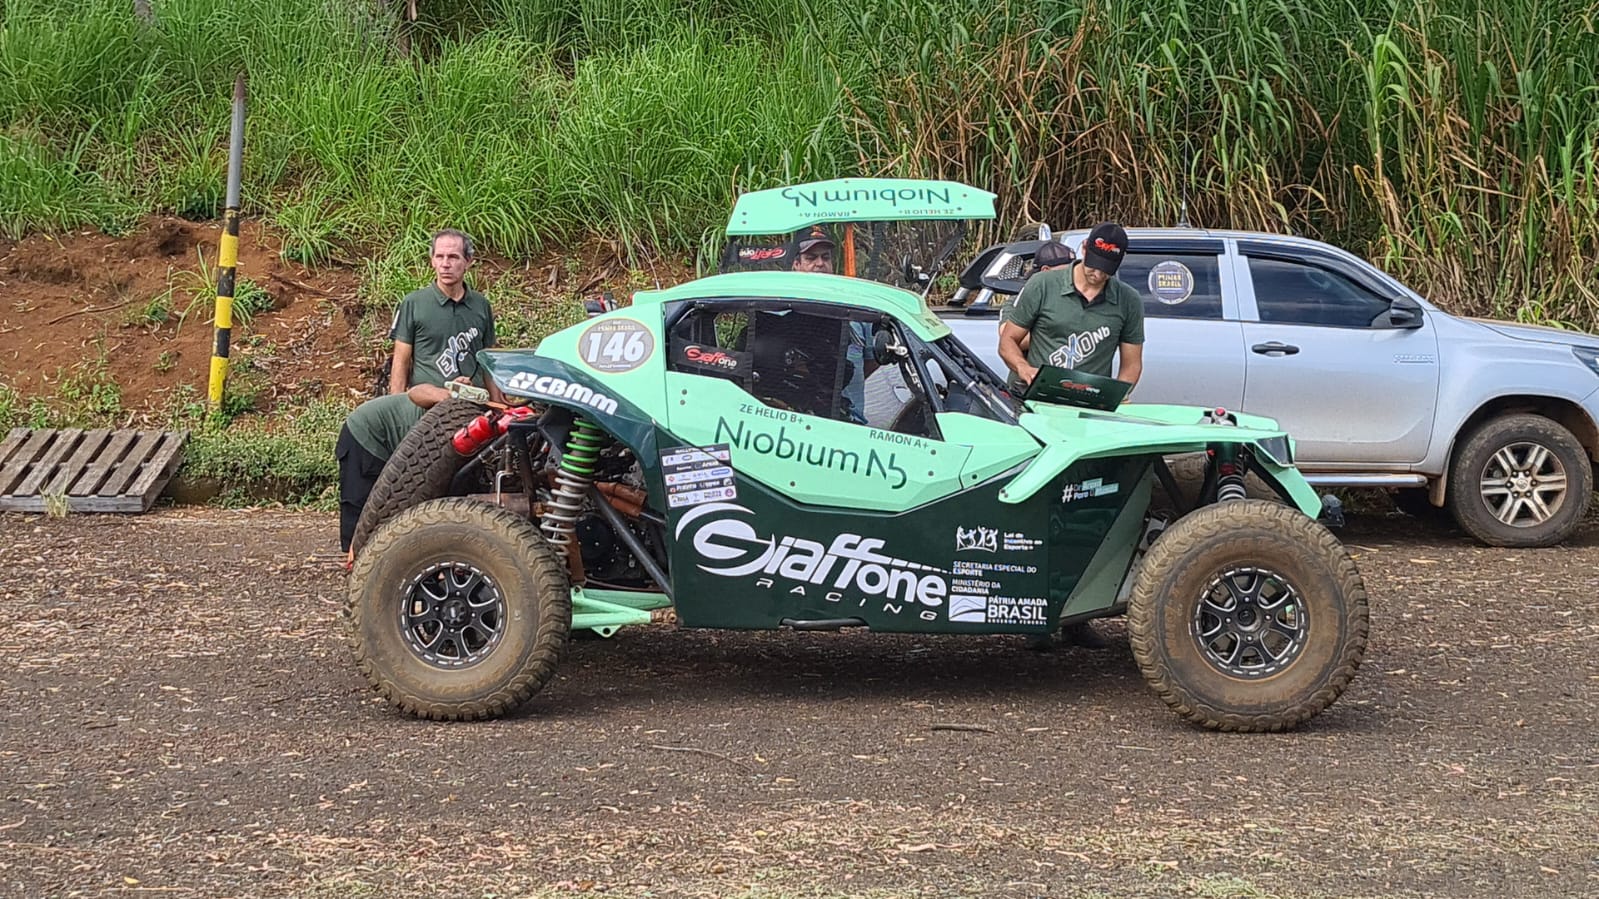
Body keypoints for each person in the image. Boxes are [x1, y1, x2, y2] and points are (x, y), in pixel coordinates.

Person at [999, 223, 1144, 649]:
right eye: (1093, 265)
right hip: (1037, 410)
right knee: (1037, 513)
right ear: (1083, 252)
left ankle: (1076, 615)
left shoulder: (1127, 302)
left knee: (1083, 511)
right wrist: (1025, 371)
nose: (1097, 275)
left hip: (1087, 419)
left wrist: (1118, 396)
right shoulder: (1045, 287)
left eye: (1106, 269)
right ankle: (1032, 615)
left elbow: (1132, 364)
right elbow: (1009, 340)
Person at [336, 385, 454, 566]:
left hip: (396, 436)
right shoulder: (443, 424)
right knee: (365, 502)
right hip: (366, 432)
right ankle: (357, 563)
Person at [388, 228, 505, 404]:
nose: (445, 264)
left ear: (468, 261)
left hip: (475, 405)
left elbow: (489, 363)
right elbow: (400, 362)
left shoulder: (481, 305)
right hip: (428, 405)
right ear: (432, 261)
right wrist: (396, 406)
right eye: (439, 257)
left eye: (453, 257)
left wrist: (499, 407)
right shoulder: (413, 303)